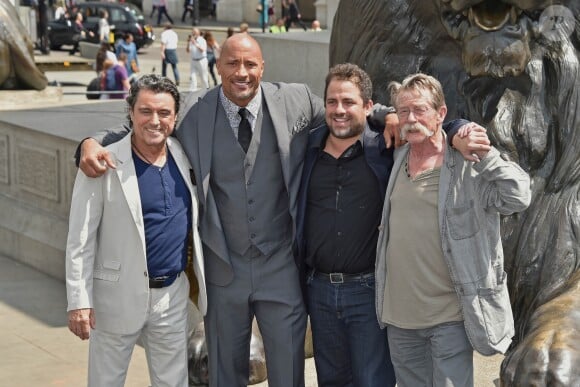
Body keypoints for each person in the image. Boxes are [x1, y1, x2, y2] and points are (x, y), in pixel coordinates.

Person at [76, 36, 485, 387]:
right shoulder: (195, 113)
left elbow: (348, 110)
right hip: (224, 271)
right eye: (232, 63)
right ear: (217, 66)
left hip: (281, 269)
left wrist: (395, 115)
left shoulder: (295, 101)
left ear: (262, 66)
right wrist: (92, 142)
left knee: (289, 372)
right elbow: (149, 125)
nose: (241, 72)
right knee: (224, 372)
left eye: (250, 64)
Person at [296, 64, 475, 387]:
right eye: (332, 102)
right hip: (318, 291)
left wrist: (458, 129)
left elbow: (426, 123)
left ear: (367, 107)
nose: (339, 110)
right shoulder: (306, 149)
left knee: (373, 380)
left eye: (349, 102)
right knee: (330, 381)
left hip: (368, 292)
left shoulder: (385, 148)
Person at [375, 73, 531, 387]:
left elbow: (519, 195)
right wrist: (389, 114)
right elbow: (366, 109)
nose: (411, 118)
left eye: (420, 110)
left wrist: (485, 154)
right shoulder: (398, 154)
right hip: (400, 318)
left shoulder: (468, 163)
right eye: (404, 111)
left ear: (441, 114)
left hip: (448, 317)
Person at [66, 74, 208, 387]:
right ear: (131, 112)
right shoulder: (103, 161)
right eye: (146, 111)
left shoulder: (184, 156)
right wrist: (78, 300)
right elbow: (80, 238)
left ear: (175, 116)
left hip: (172, 297)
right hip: (115, 298)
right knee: (106, 382)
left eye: (164, 113)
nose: (154, 120)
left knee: (174, 382)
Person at [186, 27, 209, 91]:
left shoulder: (202, 40)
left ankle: (206, 89)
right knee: (192, 75)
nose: (193, 33)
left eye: (195, 32)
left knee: (203, 76)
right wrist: (188, 42)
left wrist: (195, 43)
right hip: (193, 60)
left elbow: (202, 50)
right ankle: (193, 90)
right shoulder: (191, 40)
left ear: (198, 33)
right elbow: (188, 50)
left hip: (201, 60)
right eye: (192, 32)